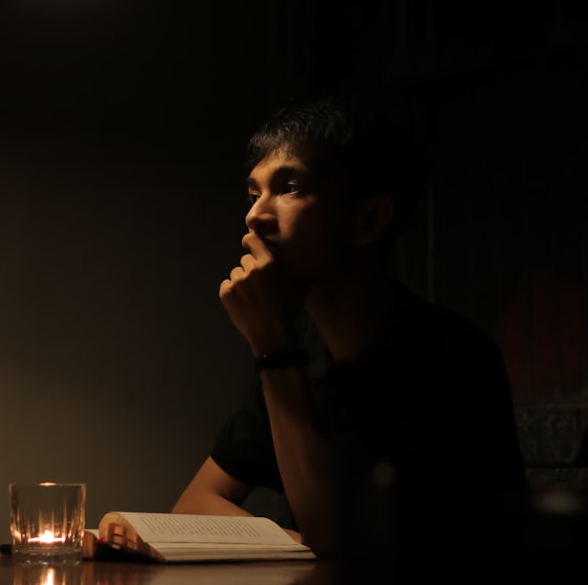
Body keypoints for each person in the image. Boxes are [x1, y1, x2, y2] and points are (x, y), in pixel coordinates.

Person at [171, 96, 526, 561]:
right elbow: (191, 506)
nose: (255, 216)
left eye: (290, 187)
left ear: (368, 219)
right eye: (254, 192)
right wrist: (300, 545)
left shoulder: (453, 361)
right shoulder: (304, 353)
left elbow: (347, 546)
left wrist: (272, 347)